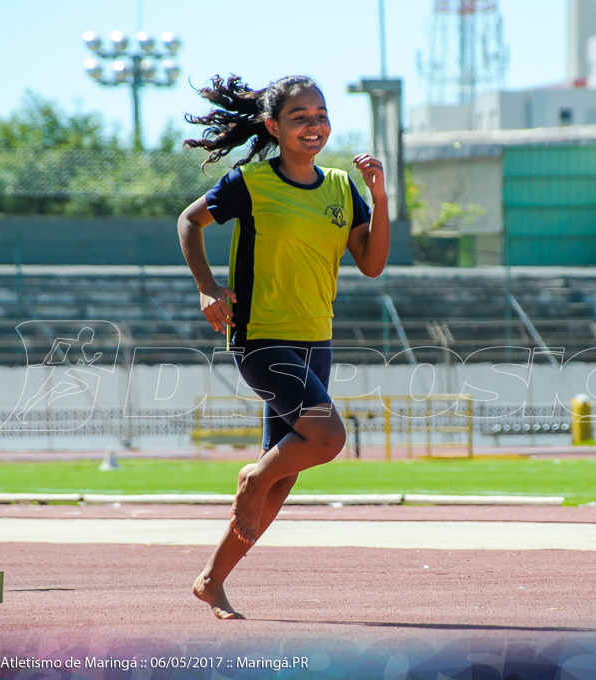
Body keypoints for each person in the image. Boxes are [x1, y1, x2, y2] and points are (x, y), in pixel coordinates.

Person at [176, 74, 390, 619]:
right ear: (274, 126)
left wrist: (379, 195)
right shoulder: (249, 182)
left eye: (321, 114)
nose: (314, 125)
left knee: (284, 476)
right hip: (261, 337)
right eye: (300, 117)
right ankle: (251, 477)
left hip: (317, 340)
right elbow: (189, 222)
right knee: (326, 435)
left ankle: (211, 579)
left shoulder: (342, 187)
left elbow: (372, 263)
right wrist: (207, 288)